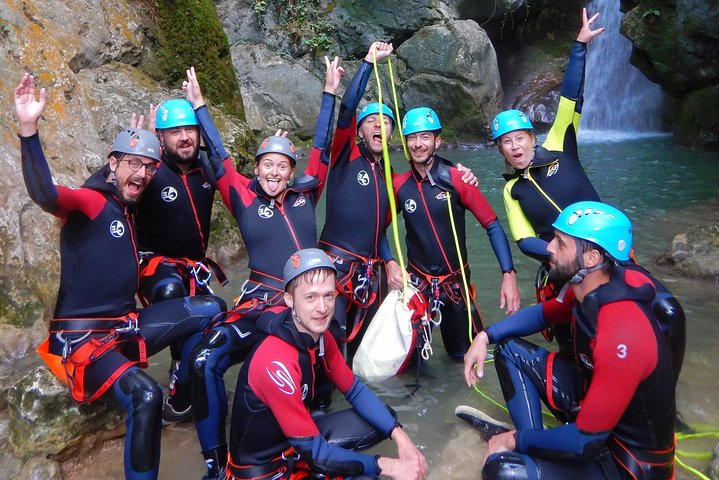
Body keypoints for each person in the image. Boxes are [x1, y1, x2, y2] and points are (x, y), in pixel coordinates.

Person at [15, 73, 227, 480]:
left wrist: (147, 143)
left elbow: (158, 175)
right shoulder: (92, 203)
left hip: (124, 327)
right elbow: (46, 194)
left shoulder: (130, 205)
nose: (144, 174)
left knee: (211, 308)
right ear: (112, 164)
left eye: (149, 167)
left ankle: (196, 415)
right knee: (146, 395)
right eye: (133, 165)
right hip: (83, 341)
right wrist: (29, 131)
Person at [491, 9, 686, 379]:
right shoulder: (511, 190)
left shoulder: (561, 144)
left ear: (532, 138)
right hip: (564, 268)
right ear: (500, 151)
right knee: (579, 342)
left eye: (519, 138)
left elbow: (569, 96)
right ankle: (583, 397)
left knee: (668, 313)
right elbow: (523, 239)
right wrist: (560, 253)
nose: (514, 147)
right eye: (506, 143)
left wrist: (579, 46)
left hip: (610, 252)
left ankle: (662, 401)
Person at [188, 57, 343, 480]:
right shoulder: (242, 196)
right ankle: (216, 462)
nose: (274, 172)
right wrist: (200, 107)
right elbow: (218, 155)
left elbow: (323, 146)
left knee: (322, 341)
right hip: (260, 304)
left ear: (292, 173)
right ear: (256, 169)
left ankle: (311, 432)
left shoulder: (306, 194)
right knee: (205, 360)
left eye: (282, 165)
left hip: (303, 303)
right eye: (267, 165)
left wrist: (329, 93)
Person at [461, 201, 676, 480]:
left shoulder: (622, 332)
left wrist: (514, 440)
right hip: (595, 417)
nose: (549, 247)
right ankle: (531, 446)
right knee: (509, 349)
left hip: (625, 464)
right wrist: (484, 335)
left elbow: (583, 441)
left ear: (591, 258)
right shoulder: (587, 289)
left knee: (502, 471)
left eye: (560, 243)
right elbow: (542, 314)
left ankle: (522, 445)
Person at [320, 41, 477, 359]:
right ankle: (320, 407)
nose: (379, 124)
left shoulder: (392, 180)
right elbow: (346, 112)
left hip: (371, 276)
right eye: (371, 121)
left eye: (386, 121)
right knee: (329, 346)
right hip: (335, 271)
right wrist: (367, 63)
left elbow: (383, 222)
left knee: (367, 354)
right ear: (361, 131)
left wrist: (459, 173)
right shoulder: (344, 158)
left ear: (392, 133)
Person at [226, 248, 428, 480]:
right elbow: (317, 454)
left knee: (384, 419)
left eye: (328, 296)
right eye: (310, 297)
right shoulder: (275, 362)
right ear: (290, 299)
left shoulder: (320, 337)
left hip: (293, 450)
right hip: (264, 472)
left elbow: (355, 390)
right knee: (369, 476)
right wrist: (388, 466)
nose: (322, 308)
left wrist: (402, 438)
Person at [132, 67, 230, 425]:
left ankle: (184, 381)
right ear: (161, 137)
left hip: (193, 263)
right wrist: (133, 150)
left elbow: (237, 179)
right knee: (173, 290)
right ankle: (176, 379)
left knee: (209, 315)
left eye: (190, 130)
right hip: (153, 265)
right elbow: (111, 193)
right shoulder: (150, 169)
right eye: (176, 132)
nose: (185, 138)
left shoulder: (206, 168)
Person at [393, 107, 520, 361]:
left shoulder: (457, 179)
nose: (418, 144)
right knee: (414, 363)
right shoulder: (399, 185)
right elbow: (377, 228)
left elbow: (492, 225)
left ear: (437, 141)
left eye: (425, 137)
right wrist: (389, 264)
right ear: (405, 143)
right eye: (412, 138)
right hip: (418, 286)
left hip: (454, 286)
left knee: (463, 357)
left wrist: (508, 273)